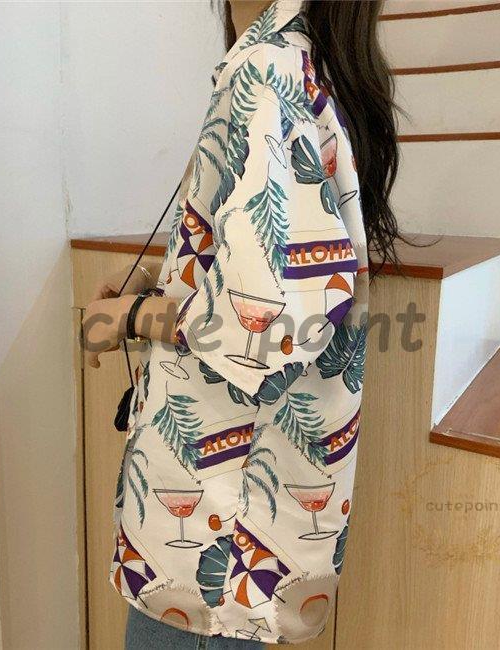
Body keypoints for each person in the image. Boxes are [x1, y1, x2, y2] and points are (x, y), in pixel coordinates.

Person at [83, 1, 400, 647]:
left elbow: (266, 324)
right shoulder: (307, 61)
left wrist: (134, 316)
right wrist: (160, 279)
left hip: (217, 526)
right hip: (245, 521)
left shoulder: (264, 68)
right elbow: (278, 268)